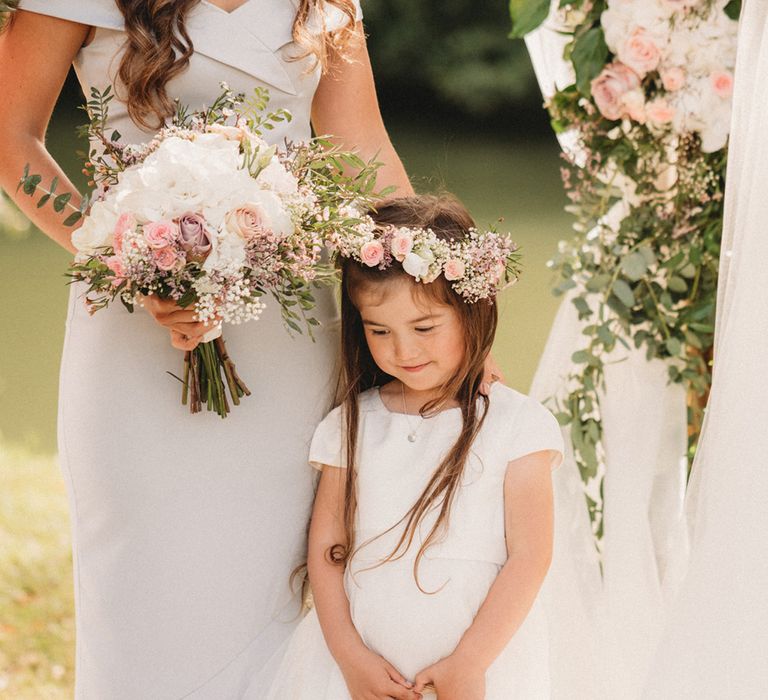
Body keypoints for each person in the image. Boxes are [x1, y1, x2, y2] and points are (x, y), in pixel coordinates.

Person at [0, 1, 412, 697]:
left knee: (265, 588)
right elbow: (10, 138)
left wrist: (442, 288)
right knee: (140, 586)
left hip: (282, 336)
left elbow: (362, 146)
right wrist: (119, 258)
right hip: (131, 332)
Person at [264, 194, 564, 700]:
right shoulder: (350, 424)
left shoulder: (520, 426)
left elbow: (530, 557)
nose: (403, 350)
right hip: (359, 667)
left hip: (479, 664)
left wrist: (470, 662)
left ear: (474, 310)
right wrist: (349, 657)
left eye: (425, 327)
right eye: (379, 330)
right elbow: (327, 550)